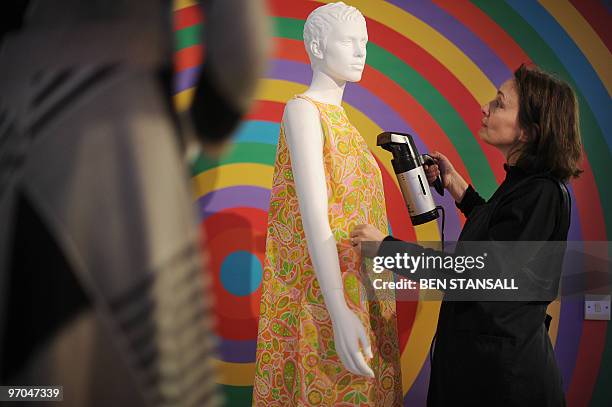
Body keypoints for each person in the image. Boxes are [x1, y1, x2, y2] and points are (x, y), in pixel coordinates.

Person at [351, 64, 582, 406]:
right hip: (483, 369)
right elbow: (502, 235)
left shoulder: (542, 194)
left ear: (530, 131)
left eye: (500, 104)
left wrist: (385, 248)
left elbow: (472, 272)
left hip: (504, 383)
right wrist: (458, 188)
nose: (485, 108)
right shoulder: (524, 186)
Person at [253, 3, 402, 406]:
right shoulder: (303, 111)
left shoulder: (345, 122)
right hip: (327, 296)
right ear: (317, 45)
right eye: (348, 41)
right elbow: (315, 219)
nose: (360, 52)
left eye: (365, 43)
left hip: (365, 291)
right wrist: (337, 309)